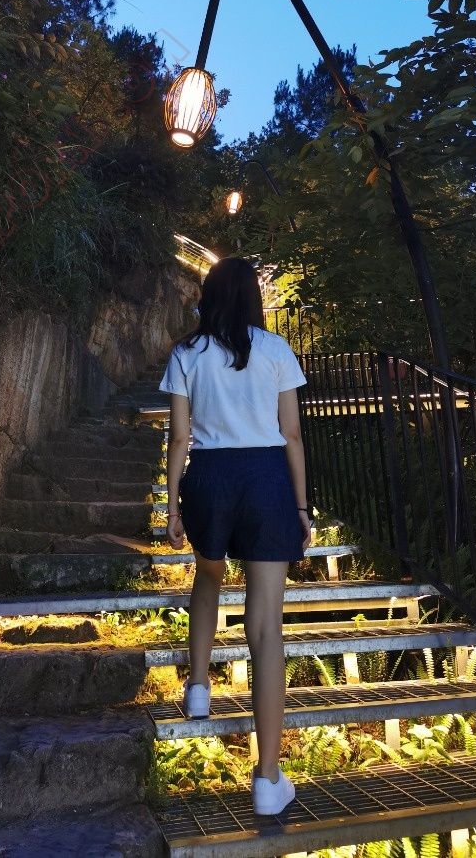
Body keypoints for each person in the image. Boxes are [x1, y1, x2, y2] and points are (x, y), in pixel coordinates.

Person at [159, 256, 311, 816]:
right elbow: (291, 434)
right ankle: (268, 780)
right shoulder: (275, 350)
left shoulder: (186, 353)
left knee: (208, 575)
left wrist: (172, 506)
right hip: (266, 478)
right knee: (265, 627)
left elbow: (179, 438)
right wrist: (300, 506)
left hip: (210, 478)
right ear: (253, 298)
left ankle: (198, 688)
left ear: (208, 296)